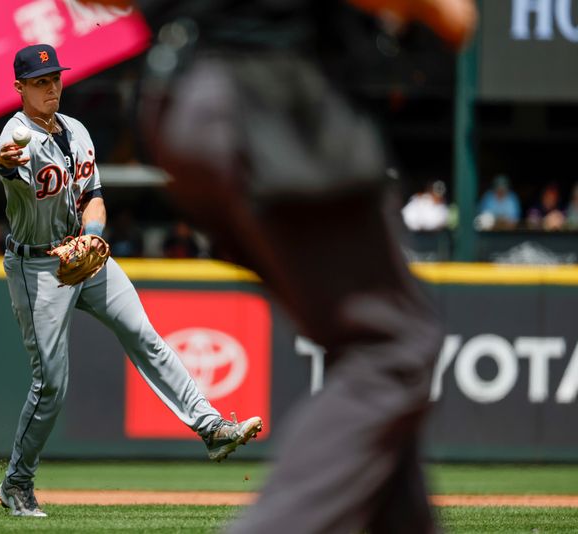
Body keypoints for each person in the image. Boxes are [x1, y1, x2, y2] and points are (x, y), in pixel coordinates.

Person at [81, 0, 475, 532]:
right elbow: (455, 20)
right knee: (393, 349)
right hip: (266, 103)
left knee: (362, 347)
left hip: (174, 109)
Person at [0, 44, 262, 518]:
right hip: (38, 269)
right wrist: (5, 159)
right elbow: (3, 156)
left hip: (85, 254)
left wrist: (94, 237)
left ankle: (211, 427)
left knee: (145, 335)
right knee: (51, 384)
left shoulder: (76, 131)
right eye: (39, 81)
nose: (51, 86)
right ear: (20, 89)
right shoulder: (17, 134)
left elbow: (94, 197)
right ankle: (17, 482)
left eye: (54, 77)